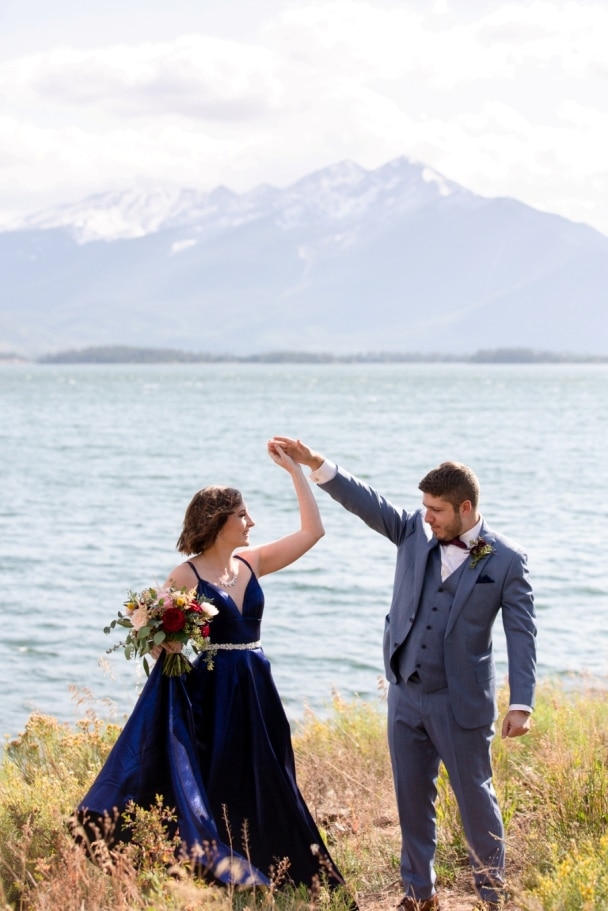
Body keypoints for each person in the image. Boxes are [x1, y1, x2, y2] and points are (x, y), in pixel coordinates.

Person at [71, 441, 348, 896]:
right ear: (218, 520)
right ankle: (224, 867)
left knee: (272, 772)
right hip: (213, 689)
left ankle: (284, 867)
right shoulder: (186, 575)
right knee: (219, 779)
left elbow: (313, 532)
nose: (251, 522)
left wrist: (296, 472)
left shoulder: (251, 562)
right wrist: (168, 646)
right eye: (242, 514)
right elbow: (152, 631)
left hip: (258, 684)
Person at [271, 437, 537, 911]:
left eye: (436, 509)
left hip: (461, 703)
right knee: (412, 801)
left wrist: (521, 702)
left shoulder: (507, 561)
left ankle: (491, 897)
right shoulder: (415, 531)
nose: (427, 516)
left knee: (476, 803)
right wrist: (314, 463)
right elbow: (367, 502)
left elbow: (522, 634)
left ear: (465, 507)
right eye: (424, 507)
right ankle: (420, 894)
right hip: (405, 693)